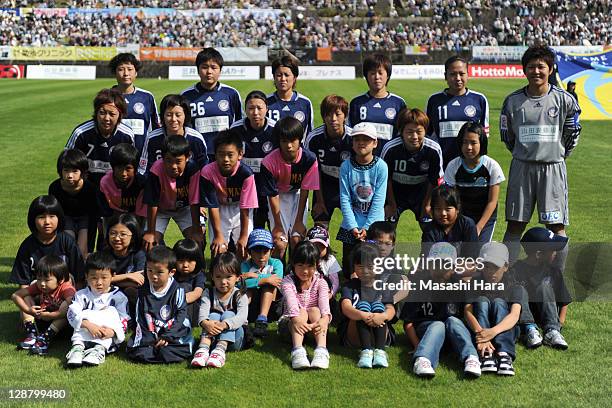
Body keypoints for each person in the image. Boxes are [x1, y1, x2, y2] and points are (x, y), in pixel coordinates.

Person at [501, 45, 581, 265]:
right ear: (524, 70)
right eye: (531, 67)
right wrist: (524, 152)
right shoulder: (513, 101)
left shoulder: (564, 100)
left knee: (556, 226)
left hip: (552, 167)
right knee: (515, 224)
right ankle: (507, 277)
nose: (536, 71)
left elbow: (573, 132)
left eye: (541, 66)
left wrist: (558, 154)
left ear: (551, 68)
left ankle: (557, 278)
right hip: (522, 168)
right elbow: (507, 136)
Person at [401, 243, 481, 378]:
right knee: (438, 324)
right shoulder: (420, 285)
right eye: (436, 264)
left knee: (453, 320)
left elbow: (467, 315)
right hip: (426, 332)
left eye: (446, 266)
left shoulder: (459, 286)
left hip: (452, 335)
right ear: (429, 265)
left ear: (454, 268)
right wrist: (416, 345)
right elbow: (408, 322)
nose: (440, 270)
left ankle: (471, 358)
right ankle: (423, 358)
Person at [259, 117, 319, 258]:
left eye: (293, 141)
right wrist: (278, 225)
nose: (289, 146)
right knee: (280, 243)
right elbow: (272, 195)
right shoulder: (268, 162)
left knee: (296, 239)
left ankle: (294, 273)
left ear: (300, 140)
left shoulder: (309, 159)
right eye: (284, 141)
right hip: (278, 196)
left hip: (298, 195)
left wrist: (299, 221)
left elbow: (305, 190)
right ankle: (277, 275)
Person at [126, 245, 194, 364]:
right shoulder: (143, 291)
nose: (154, 276)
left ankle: (163, 349)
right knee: (140, 350)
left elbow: (181, 316)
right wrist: (151, 337)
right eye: (150, 270)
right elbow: (140, 318)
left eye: (159, 272)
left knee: (169, 351)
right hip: (150, 332)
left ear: (171, 272)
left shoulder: (177, 290)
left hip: (172, 332)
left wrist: (168, 336)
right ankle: (152, 348)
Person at [337, 122, 388, 276]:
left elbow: (379, 201)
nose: (361, 142)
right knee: (350, 270)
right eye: (357, 139)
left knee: (373, 269)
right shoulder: (346, 166)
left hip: (373, 224)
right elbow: (344, 198)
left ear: (375, 143)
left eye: (366, 139)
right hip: (351, 225)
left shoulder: (381, 167)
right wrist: (353, 227)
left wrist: (367, 228)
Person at [464, 242, 521, 376]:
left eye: (495, 267)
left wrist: (493, 332)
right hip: (480, 327)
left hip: (503, 328)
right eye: (486, 266)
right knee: (482, 300)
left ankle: (504, 353)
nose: (490, 272)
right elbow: (467, 311)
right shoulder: (474, 282)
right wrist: (482, 334)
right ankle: (486, 353)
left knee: (499, 302)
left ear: (505, 266)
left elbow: (514, 315)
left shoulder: (514, 286)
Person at [381, 108, 443, 231]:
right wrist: (391, 205)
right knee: (386, 230)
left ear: (425, 131)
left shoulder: (434, 149)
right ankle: (387, 250)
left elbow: (434, 181)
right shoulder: (390, 148)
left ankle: (430, 250)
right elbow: (384, 180)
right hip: (395, 192)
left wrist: (427, 205)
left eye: (419, 132)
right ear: (401, 131)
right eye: (409, 132)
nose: (414, 137)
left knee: (431, 229)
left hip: (422, 193)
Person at [200, 130, 258, 260]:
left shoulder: (246, 174)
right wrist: (218, 235)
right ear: (215, 154)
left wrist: (243, 236)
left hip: (240, 209)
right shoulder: (207, 172)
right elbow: (212, 206)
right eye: (221, 154)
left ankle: (241, 276)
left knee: (243, 249)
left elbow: (245, 208)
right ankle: (219, 276)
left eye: (230, 155)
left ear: (240, 154)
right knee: (219, 247)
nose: (225, 159)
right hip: (220, 208)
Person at [65, 251, 130, 367]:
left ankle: (98, 350)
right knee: (82, 313)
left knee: (111, 312)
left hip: (105, 335)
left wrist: (113, 332)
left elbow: (124, 319)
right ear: (86, 276)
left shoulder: (118, 297)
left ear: (113, 276)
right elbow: (71, 314)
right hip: (84, 332)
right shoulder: (81, 295)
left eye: (104, 277)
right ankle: (77, 348)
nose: (99, 282)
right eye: (94, 278)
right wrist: (89, 325)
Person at [511, 227, 571, 350]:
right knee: (519, 289)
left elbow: (564, 300)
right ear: (538, 254)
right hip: (523, 317)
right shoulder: (515, 270)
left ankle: (552, 331)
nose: (556, 253)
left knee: (545, 286)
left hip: (548, 315)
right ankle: (529, 329)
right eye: (553, 250)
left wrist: (560, 322)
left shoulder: (553, 271)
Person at [444, 121, 505, 243]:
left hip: (485, 218)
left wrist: (478, 227)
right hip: (461, 217)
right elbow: (450, 199)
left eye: (473, 142)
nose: (469, 147)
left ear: (481, 143)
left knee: (480, 252)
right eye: (465, 142)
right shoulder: (453, 166)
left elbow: (492, 201)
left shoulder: (492, 166)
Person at [338, 242, 395, 369]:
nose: (365, 271)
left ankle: (380, 351)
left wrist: (383, 316)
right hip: (354, 335)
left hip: (379, 333)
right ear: (354, 267)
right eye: (360, 266)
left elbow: (391, 309)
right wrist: (362, 315)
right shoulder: (350, 286)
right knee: (362, 307)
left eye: (370, 266)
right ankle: (366, 351)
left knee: (379, 308)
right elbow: (346, 307)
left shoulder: (382, 286)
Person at [426, 55, 490, 167]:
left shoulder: (479, 99)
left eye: (461, 73)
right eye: (453, 74)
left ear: (468, 75)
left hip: (470, 164)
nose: (458, 78)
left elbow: (483, 137)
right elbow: (428, 134)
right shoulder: (434, 100)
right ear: (445, 76)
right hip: (442, 164)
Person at [181, 47, 242, 161]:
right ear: (198, 69)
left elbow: (239, 124)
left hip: (226, 155)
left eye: (214, 67)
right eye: (204, 67)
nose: (209, 72)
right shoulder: (186, 96)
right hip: (196, 155)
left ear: (220, 70)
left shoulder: (231, 94)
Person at [142, 135, 203, 251]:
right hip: (160, 210)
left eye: (178, 161)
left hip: (185, 209)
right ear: (162, 158)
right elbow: (152, 203)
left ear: (187, 157)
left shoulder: (193, 169)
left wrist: (196, 230)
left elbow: (194, 200)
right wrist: (150, 232)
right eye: (168, 161)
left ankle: (195, 268)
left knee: (198, 241)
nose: (173, 166)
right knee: (150, 244)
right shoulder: (156, 170)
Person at [11, 195, 85, 288]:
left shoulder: (67, 242)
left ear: (59, 218)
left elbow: (79, 278)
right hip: (39, 289)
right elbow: (23, 284)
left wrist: (75, 298)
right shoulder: (27, 246)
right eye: (41, 217)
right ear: (33, 220)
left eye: (52, 216)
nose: (47, 222)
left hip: (64, 290)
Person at [66, 88, 135, 187]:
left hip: (115, 189)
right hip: (86, 188)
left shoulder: (127, 135)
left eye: (112, 114)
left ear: (120, 115)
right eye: (102, 113)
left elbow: (132, 166)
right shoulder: (81, 133)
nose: (106, 118)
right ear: (96, 112)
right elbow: (66, 161)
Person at [191, 252, 250, 368]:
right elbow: (202, 313)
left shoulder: (240, 295)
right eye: (218, 277)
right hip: (213, 336)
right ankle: (203, 349)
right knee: (212, 316)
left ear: (237, 277)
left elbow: (242, 317)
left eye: (228, 277)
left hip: (235, 339)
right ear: (212, 276)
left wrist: (225, 324)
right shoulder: (208, 293)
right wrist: (205, 323)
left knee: (228, 314)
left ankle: (220, 351)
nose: (223, 282)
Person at [279, 241, 331, 370]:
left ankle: (321, 351)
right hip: (291, 326)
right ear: (293, 264)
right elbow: (292, 305)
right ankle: (297, 351)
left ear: (316, 265)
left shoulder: (321, 282)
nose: (305, 271)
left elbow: (325, 307)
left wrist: (324, 319)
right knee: (301, 312)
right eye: (300, 265)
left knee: (315, 310)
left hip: (314, 327)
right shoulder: (287, 282)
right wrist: (296, 320)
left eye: (310, 266)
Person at [11, 255, 76, 355]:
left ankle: (45, 339)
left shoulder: (66, 288)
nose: (42, 283)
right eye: (39, 278)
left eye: (47, 280)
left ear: (61, 280)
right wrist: (29, 310)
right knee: (26, 297)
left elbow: (73, 306)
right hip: (42, 317)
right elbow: (15, 295)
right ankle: (31, 334)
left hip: (61, 325)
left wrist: (51, 315)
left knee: (67, 307)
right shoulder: (39, 286)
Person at [304, 94, 353, 228]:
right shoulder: (314, 138)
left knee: (352, 231)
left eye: (338, 114)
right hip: (324, 188)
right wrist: (319, 200)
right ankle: (324, 248)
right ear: (323, 116)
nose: (333, 119)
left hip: (348, 188)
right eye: (328, 115)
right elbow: (314, 172)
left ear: (345, 115)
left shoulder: (354, 138)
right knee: (319, 231)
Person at [230, 90, 277, 228]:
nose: (255, 112)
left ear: (267, 109)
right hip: (244, 189)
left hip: (270, 188)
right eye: (251, 108)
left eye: (259, 108)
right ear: (245, 110)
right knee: (250, 229)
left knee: (276, 230)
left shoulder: (276, 129)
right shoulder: (236, 129)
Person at [348, 53, 406, 154]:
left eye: (380, 73)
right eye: (372, 73)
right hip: (363, 160)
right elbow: (350, 132)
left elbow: (403, 135)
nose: (376, 77)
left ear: (387, 75)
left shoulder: (398, 103)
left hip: (390, 160)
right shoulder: (356, 103)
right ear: (366, 76)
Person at [138, 94, 208, 174]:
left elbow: (204, 168)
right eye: (169, 115)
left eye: (178, 115)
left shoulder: (196, 139)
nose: (173, 119)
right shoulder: (152, 138)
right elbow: (143, 169)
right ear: (163, 116)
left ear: (185, 116)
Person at [49, 149, 98, 259]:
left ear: (83, 171)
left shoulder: (90, 188)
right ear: (60, 171)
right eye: (66, 170)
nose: (70, 175)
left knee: (82, 251)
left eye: (75, 171)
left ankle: (82, 271)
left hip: (85, 219)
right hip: (66, 218)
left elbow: (93, 216)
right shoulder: (55, 187)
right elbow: (54, 212)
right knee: (69, 246)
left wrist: (90, 246)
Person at [109, 52, 160, 153]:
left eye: (129, 69)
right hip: (115, 155)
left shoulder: (147, 97)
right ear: (115, 73)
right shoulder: (107, 97)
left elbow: (155, 127)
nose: (126, 73)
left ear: (136, 72)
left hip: (142, 155)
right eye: (121, 69)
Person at [240, 229, 284, 337]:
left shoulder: (276, 263)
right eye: (257, 251)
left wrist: (256, 276)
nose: (261, 256)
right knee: (248, 289)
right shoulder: (245, 265)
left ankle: (262, 321)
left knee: (269, 285)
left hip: (272, 305)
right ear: (249, 252)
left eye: (265, 252)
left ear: (271, 251)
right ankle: (242, 318)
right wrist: (263, 279)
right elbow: (241, 283)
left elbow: (277, 279)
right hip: (251, 303)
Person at [421, 184, 479, 261]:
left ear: (457, 209)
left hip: (462, 269)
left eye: (448, 209)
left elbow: (472, 259)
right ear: (432, 210)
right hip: (437, 269)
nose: (443, 213)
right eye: (438, 209)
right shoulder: (429, 229)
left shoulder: (468, 225)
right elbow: (426, 259)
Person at [104, 213, 146, 308]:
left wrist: (111, 280)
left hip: (128, 295)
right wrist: (128, 276)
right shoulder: (105, 254)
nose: (117, 238)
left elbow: (139, 282)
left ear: (133, 236)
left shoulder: (139, 255)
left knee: (131, 290)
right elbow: (98, 279)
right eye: (113, 233)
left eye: (123, 234)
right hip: (106, 295)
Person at [266, 55, 314, 136]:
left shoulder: (305, 103)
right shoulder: (265, 102)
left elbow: (309, 133)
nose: (283, 79)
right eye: (279, 75)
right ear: (274, 77)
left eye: (286, 75)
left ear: (294, 77)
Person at [99, 143, 147, 220]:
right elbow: (105, 211)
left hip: (136, 218)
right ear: (113, 167)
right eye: (119, 168)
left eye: (128, 169)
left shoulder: (142, 183)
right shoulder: (105, 182)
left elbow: (142, 212)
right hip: (113, 216)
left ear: (135, 168)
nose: (123, 173)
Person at [172, 239, 206, 331]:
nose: (185, 265)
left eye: (190, 261)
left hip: (191, 309)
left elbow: (197, 293)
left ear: (197, 261)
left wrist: (176, 300)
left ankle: (184, 322)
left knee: (185, 287)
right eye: (181, 261)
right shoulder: (172, 274)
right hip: (172, 307)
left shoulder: (199, 275)